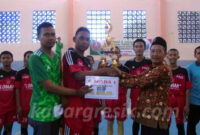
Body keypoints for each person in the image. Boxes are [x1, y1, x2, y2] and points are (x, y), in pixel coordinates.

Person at [28, 22, 92, 135]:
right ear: (38, 36)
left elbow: (60, 79)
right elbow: (48, 87)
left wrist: (63, 97)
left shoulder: (57, 57)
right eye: (46, 34)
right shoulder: (35, 57)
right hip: (41, 112)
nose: (51, 38)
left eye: (53, 34)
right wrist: (77, 92)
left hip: (56, 109)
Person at [62, 27, 119, 135]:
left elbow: (92, 82)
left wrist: (100, 100)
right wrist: (104, 71)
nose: (84, 41)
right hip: (73, 106)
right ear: (74, 39)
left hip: (88, 107)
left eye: (87, 39)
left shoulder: (87, 61)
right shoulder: (70, 54)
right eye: (81, 38)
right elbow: (78, 76)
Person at [120, 37, 172, 135]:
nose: (155, 54)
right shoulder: (152, 68)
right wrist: (118, 72)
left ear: (165, 54)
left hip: (157, 120)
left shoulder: (162, 69)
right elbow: (137, 77)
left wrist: (116, 77)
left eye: (159, 51)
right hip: (147, 117)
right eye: (153, 51)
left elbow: (138, 81)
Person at [125, 39, 151, 135]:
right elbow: (125, 82)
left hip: (148, 98)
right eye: (136, 46)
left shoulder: (150, 62)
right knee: (136, 121)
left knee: (146, 122)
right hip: (135, 97)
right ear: (133, 48)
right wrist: (124, 97)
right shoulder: (128, 64)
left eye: (141, 46)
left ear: (144, 48)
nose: (139, 48)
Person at [105, 47, 129, 135]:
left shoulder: (125, 69)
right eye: (113, 53)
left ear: (120, 54)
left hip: (121, 99)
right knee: (109, 123)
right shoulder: (105, 68)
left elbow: (128, 84)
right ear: (110, 55)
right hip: (109, 100)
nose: (115, 54)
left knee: (120, 123)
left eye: (117, 52)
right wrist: (103, 101)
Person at [167, 48, 191, 135]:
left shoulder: (184, 71)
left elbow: (187, 89)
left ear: (178, 57)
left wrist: (187, 105)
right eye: (170, 55)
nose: (172, 57)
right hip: (167, 99)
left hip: (180, 100)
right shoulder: (164, 71)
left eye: (174, 55)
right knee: (166, 124)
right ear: (167, 57)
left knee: (180, 124)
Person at [15, 51, 33, 135]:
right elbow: (17, 90)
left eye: (32, 56)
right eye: (28, 56)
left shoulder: (39, 72)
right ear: (24, 59)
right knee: (24, 126)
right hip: (24, 106)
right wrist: (18, 106)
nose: (30, 58)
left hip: (37, 106)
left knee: (38, 127)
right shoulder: (20, 73)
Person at [0, 51, 16, 135]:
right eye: (3, 58)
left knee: (8, 131)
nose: (6, 59)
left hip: (11, 109)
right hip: (0, 109)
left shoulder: (16, 74)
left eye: (8, 57)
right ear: (0, 60)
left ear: (12, 60)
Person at [186, 46, 200, 135]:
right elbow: (187, 87)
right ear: (195, 55)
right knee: (191, 127)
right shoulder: (189, 68)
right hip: (194, 103)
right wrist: (186, 104)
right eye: (199, 53)